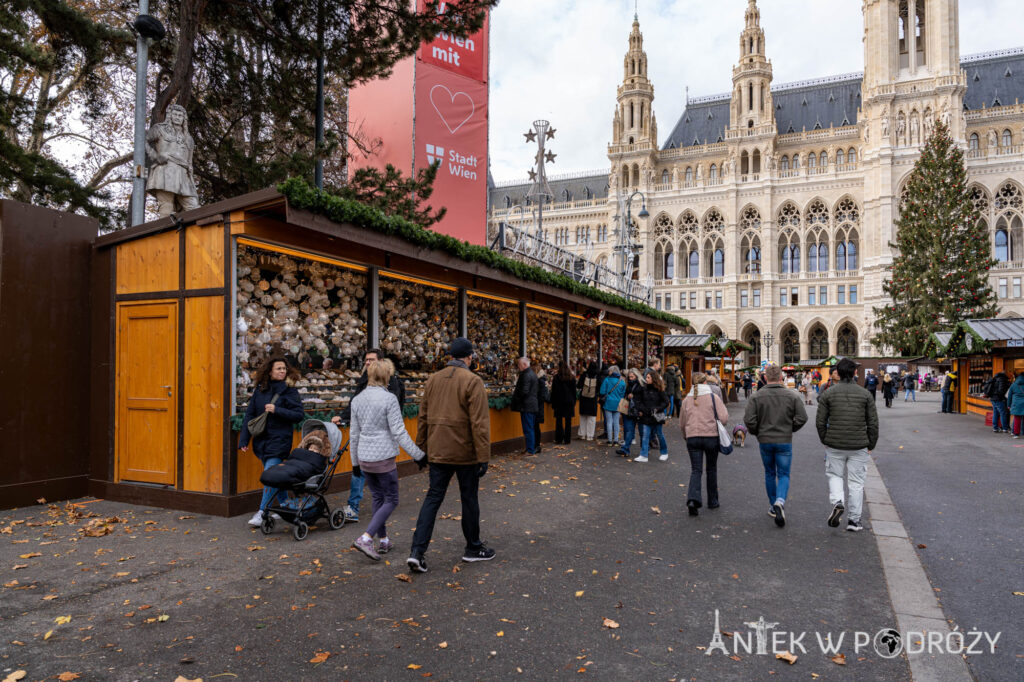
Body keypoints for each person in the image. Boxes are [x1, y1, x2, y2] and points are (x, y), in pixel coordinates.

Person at [407, 338, 493, 573]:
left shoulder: (433, 380)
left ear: (450, 356)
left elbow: (422, 417)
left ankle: (417, 551)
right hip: (465, 453)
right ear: (469, 357)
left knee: (433, 498)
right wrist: (483, 456)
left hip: (437, 450)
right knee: (469, 499)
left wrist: (420, 448)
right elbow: (480, 424)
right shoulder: (473, 381)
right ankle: (473, 548)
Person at [348, 359, 426, 561]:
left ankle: (383, 540)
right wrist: (418, 455)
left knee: (377, 498)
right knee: (391, 499)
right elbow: (399, 432)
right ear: (386, 376)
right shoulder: (389, 399)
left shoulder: (357, 400)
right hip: (383, 458)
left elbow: (354, 434)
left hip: (365, 457)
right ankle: (366, 538)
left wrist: (354, 462)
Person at [333, 348, 407, 524]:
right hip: (366, 433)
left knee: (380, 472)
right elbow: (355, 402)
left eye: (371, 360)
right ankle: (355, 506)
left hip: (381, 436)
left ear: (380, 361)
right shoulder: (364, 380)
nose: (367, 363)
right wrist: (343, 416)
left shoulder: (392, 382)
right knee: (360, 470)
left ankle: (383, 503)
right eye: (366, 360)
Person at [239, 356, 305, 527]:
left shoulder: (290, 391)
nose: (282, 371)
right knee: (275, 477)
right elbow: (250, 415)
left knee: (270, 475)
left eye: (284, 368)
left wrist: (278, 410)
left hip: (280, 440)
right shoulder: (260, 390)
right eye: (278, 369)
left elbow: (299, 415)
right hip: (261, 440)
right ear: (270, 371)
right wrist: (244, 439)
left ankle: (262, 512)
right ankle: (285, 506)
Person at [816, 358, 879, 532]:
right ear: (854, 373)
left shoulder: (828, 393)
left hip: (834, 444)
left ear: (838, 372)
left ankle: (838, 501)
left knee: (835, 475)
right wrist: (871, 443)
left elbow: (820, 421)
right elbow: (873, 422)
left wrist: (825, 440)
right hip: (859, 445)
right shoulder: (865, 394)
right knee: (856, 483)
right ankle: (854, 521)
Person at [744, 364, 808, 527]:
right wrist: (790, 429)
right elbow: (802, 417)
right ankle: (780, 500)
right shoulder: (791, 395)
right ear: (781, 377)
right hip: (784, 440)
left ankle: (773, 505)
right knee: (784, 474)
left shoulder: (756, 396)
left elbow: (749, 420)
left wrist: (757, 432)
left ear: (765, 377)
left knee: (770, 473)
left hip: (765, 440)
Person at [679, 372, 728, 516]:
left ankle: (693, 499)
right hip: (711, 437)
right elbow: (724, 418)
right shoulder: (713, 397)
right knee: (711, 469)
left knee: (696, 470)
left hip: (693, 437)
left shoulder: (687, 400)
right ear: (705, 382)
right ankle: (713, 501)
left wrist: (685, 436)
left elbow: (682, 423)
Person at [635, 369, 671, 462]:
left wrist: (657, 408)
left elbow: (666, 402)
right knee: (645, 435)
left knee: (659, 434)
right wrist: (643, 409)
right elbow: (638, 401)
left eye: (648, 377)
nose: (646, 379)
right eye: (646, 377)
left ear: (653, 379)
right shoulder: (643, 388)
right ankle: (644, 455)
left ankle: (664, 452)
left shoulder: (660, 390)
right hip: (646, 415)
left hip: (657, 416)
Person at [511, 357, 540, 455]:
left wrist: (517, 399)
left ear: (524, 365)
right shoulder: (532, 374)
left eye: (519, 365)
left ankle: (530, 450)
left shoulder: (526, 375)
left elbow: (524, 391)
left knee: (528, 428)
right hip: (531, 404)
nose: (518, 367)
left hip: (527, 405)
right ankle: (529, 448)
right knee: (530, 428)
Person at [617, 368, 643, 457]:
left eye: (632, 377)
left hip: (638, 410)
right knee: (629, 430)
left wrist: (634, 397)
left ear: (636, 376)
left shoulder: (641, 385)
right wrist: (628, 397)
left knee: (642, 432)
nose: (630, 378)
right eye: (629, 377)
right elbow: (626, 396)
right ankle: (625, 449)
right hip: (629, 410)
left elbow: (644, 398)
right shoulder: (628, 385)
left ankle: (644, 450)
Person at [599, 366, 627, 447]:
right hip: (618, 403)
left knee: (609, 422)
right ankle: (616, 440)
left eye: (609, 371)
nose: (608, 372)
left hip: (608, 402)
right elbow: (623, 393)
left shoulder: (607, 380)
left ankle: (610, 440)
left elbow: (602, 391)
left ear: (612, 371)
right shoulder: (621, 381)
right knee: (616, 422)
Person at [550, 361, 577, 444]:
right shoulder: (571, 377)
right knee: (568, 421)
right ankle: (567, 439)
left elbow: (553, 392)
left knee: (559, 421)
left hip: (559, 401)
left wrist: (553, 402)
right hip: (569, 401)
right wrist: (573, 401)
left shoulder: (556, 378)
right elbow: (574, 391)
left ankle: (559, 438)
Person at [576, 362, 600, 440]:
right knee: (592, 418)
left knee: (583, 416)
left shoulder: (584, 375)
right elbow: (599, 388)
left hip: (584, 398)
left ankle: (582, 434)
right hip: (593, 399)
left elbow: (579, 385)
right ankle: (590, 435)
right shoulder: (597, 376)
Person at [533, 365, 550, 454]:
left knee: (536, 426)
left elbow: (543, 395)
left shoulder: (540, 381)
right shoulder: (541, 380)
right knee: (535, 426)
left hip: (538, 407)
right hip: (538, 407)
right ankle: (536, 445)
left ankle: (537, 445)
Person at [1007, 373, 1024, 438]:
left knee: (1017, 419)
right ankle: (1023, 432)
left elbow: (1009, 396)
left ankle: (1016, 434)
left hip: (1016, 404)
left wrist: (1008, 405)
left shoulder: (1013, 385)